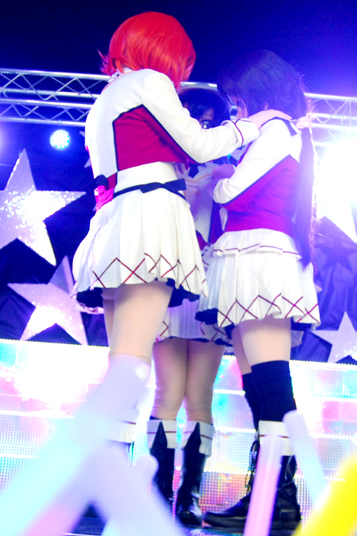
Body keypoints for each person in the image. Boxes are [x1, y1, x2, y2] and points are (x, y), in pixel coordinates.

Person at [72, 13, 286, 460]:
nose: (181, 73)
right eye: (183, 61)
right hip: (146, 221)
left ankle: (102, 476)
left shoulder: (107, 97)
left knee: (123, 362)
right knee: (130, 365)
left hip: (113, 222)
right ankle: (100, 477)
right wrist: (256, 123)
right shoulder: (148, 81)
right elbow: (201, 145)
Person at [197, 49, 321, 531]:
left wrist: (220, 179)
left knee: (271, 383)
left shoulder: (275, 129)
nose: (236, 107)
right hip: (251, 255)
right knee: (259, 385)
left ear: (257, 91)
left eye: (238, 97)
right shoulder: (279, 131)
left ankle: (278, 500)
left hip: (262, 256)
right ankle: (267, 496)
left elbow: (233, 194)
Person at [146, 87, 232, 527]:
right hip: (169, 281)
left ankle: (190, 493)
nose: (202, 126)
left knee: (199, 398)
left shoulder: (230, 172)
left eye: (211, 121)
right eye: (195, 117)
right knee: (167, 393)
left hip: (210, 284)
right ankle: (157, 489)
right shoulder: (161, 168)